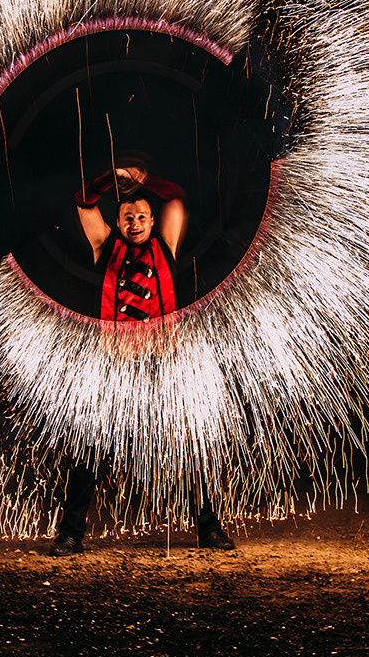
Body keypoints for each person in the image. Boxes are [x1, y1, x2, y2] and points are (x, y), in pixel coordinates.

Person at [48, 155, 236, 554]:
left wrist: (145, 179)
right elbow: (83, 202)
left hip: (163, 364)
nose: (134, 224)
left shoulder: (165, 246)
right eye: (128, 218)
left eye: (141, 217)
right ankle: (71, 533)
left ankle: (208, 528)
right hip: (114, 367)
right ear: (118, 224)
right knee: (90, 449)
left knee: (187, 444)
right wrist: (107, 178)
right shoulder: (104, 247)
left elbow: (177, 198)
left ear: (152, 222)